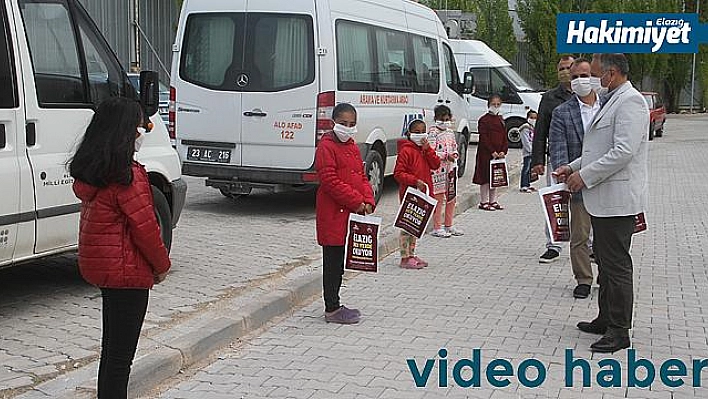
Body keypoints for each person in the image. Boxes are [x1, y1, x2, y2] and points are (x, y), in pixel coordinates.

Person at [69, 97, 171, 398]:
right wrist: (162, 266)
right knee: (120, 358)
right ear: (125, 131)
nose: (143, 131)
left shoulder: (94, 171)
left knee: (111, 351)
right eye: (140, 125)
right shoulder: (127, 176)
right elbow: (147, 229)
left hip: (106, 269)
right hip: (129, 272)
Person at [554, 53, 649, 353]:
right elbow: (598, 148)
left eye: (594, 74)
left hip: (617, 200)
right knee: (606, 265)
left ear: (611, 73)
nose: (590, 80)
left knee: (617, 267)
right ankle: (606, 317)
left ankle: (620, 331)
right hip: (603, 199)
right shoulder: (612, 99)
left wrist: (584, 176)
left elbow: (622, 152)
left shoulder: (631, 102)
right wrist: (572, 167)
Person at [315, 103, 375, 325]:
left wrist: (368, 200)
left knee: (340, 262)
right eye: (343, 124)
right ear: (333, 123)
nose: (348, 128)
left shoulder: (352, 146)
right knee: (332, 262)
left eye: (352, 124)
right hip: (333, 214)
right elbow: (329, 181)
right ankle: (331, 307)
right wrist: (356, 201)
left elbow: (361, 176)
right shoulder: (326, 147)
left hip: (350, 214)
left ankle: (336, 303)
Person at [549, 58, 599, 300]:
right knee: (579, 236)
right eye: (576, 76)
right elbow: (558, 147)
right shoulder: (562, 112)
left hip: (606, 181)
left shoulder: (607, 105)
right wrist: (563, 176)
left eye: (585, 75)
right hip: (578, 182)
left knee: (607, 236)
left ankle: (607, 275)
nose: (581, 80)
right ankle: (583, 279)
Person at [531, 55, 575, 263]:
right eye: (561, 68)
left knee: (586, 203)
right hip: (556, 157)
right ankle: (553, 244)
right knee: (555, 201)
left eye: (568, 67)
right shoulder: (549, 98)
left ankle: (590, 244)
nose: (565, 71)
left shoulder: (588, 94)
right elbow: (540, 131)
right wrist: (537, 160)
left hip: (583, 157)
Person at [394, 119, 441, 269]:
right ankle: (404, 257)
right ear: (409, 134)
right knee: (407, 226)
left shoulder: (425, 149)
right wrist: (415, 181)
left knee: (416, 225)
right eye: (417, 132)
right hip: (410, 193)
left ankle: (412, 254)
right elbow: (398, 173)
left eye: (423, 132)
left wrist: (428, 150)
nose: (420, 135)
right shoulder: (406, 151)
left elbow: (436, 164)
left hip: (423, 193)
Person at [428, 105, 463, 238]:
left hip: (451, 169)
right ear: (436, 118)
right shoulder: (432, 132)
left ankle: (449, 224)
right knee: (439, 198)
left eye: (447, 119)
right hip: (437, 171)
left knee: (451, 197)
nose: (444, 122)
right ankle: (437, 226)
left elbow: (455, 147)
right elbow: (431, 152)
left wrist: (454, 154)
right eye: (441, 119)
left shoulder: (450, 132)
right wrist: (443, 156)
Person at [472, 94, 508, 211]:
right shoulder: (483, 120)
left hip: (499, 155)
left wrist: (503, 150)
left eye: (498, 104)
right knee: (485, 178)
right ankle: (483, 201)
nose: (496, 106)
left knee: (495, 178)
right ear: (488, 105)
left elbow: (504, 137)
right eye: (494, 104)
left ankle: (493, 201)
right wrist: (492, 151)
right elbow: (484, 137)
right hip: (486, 154)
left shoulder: (501, 119)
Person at [519, 110, 537, 193]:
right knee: (526, 168)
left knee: (530, 169)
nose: (533, 119)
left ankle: (528, 184)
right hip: (528, 152)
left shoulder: (534, 128)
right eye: (531, 117)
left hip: (533, 152)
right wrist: (530, 150)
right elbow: (525, 141)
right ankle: (524, 185)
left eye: (535, 118)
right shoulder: (525, 128)